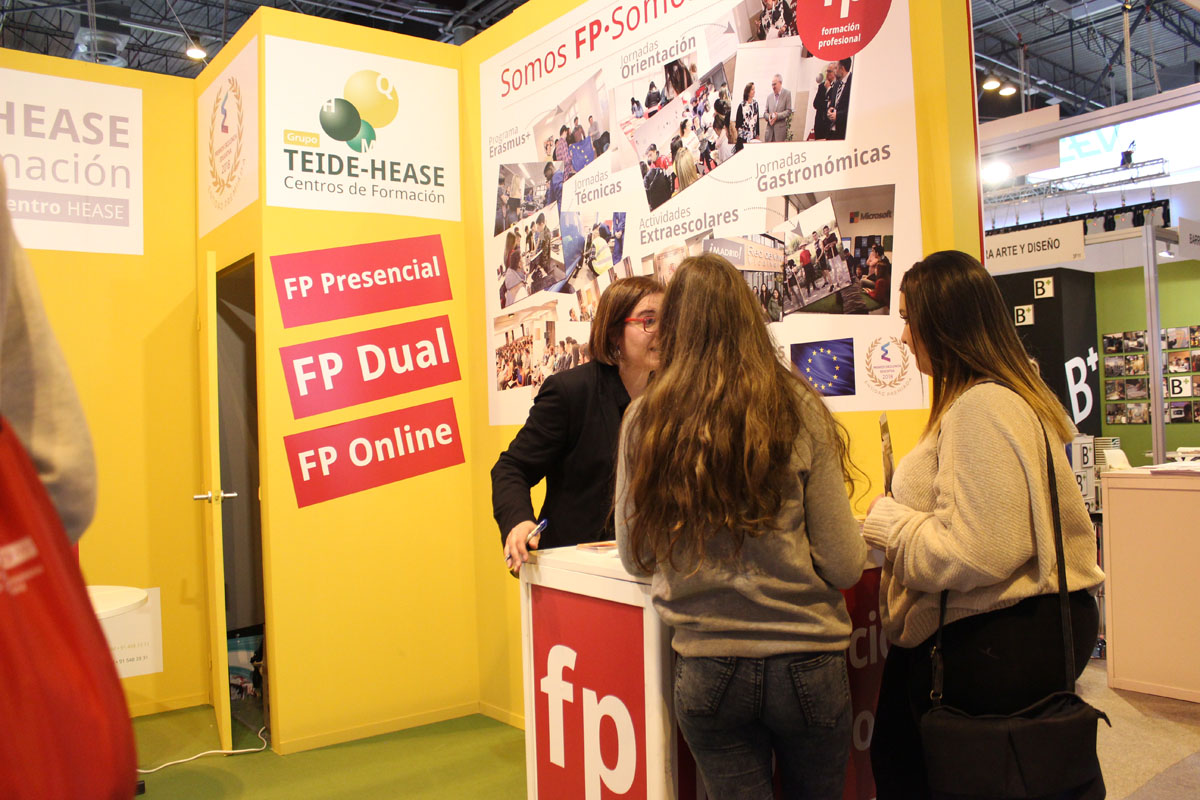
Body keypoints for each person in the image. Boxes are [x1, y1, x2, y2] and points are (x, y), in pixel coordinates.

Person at [615, 253, 865, 800]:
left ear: (675, 326)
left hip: (708, 664)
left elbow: (637, 557)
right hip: (807, 659)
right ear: (751, 317)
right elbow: (846, 562)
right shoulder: (799, 407)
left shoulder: (645, 419)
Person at [862, 250, 1105, 796]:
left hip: (981, 645)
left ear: (943, 323)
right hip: (1005, 639)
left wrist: (890, 522)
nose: (903, 337)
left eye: (910, 319)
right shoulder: (1007, 399)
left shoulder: (981, 407)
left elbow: (978, 548)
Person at [493, 276, 664, 574]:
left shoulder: (670, 397)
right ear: (614, 332)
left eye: (669, 320)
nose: (663, 331)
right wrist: (518, 521)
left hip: (647, 570)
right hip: (574, 572)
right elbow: (511, 467)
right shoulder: (571, 392)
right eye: (649, 321)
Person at [763, 73, 792, 142]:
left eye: (775, 84)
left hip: (780, 133)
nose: (773, 87)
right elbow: (765, 113)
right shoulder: (769, 97)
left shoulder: (787, 94)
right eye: (772, 84)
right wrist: (769, 116)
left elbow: (788, 111)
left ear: (780, 83)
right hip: (769, 132)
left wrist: (777, 116)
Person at [828, 58, 853, 140]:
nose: (834, 71)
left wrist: (838, 116)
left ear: (842, 69)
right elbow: (833, 104)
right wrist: (830, 111)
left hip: (844, 132)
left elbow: (852, 108)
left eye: (836, 68)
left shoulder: (853, 83)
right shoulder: (836, 84)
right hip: (831, 131)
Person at [812, 62, 838, 140]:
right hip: (819, 123)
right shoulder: (821, 86)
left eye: (829, 71)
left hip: (829, 124)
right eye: (827, 71)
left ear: (835, 72)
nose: (827, 73)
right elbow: (816, 104)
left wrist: (828, 89)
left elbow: (834, 103)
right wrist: (827, 104)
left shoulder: (837, 86)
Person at [734, 82, 758, 152]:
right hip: (744, 137)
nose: (754, 91)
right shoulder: (742, 105)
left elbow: (757, 121)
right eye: (752, 89)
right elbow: (738, 124)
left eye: (754, 89)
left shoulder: (755, 104)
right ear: (748, 92)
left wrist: (757, 134)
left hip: (753, 136)